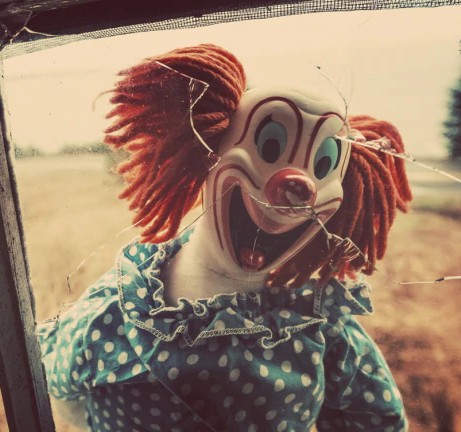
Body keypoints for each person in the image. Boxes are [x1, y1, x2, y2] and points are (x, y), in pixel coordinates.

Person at [38, 44, 411, 431]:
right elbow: (62, 390)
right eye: (270, 147)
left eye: (322, 165)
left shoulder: (315, 321)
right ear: (205, 146)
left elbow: (373, 419)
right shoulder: (119, 309)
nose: (300, 185)